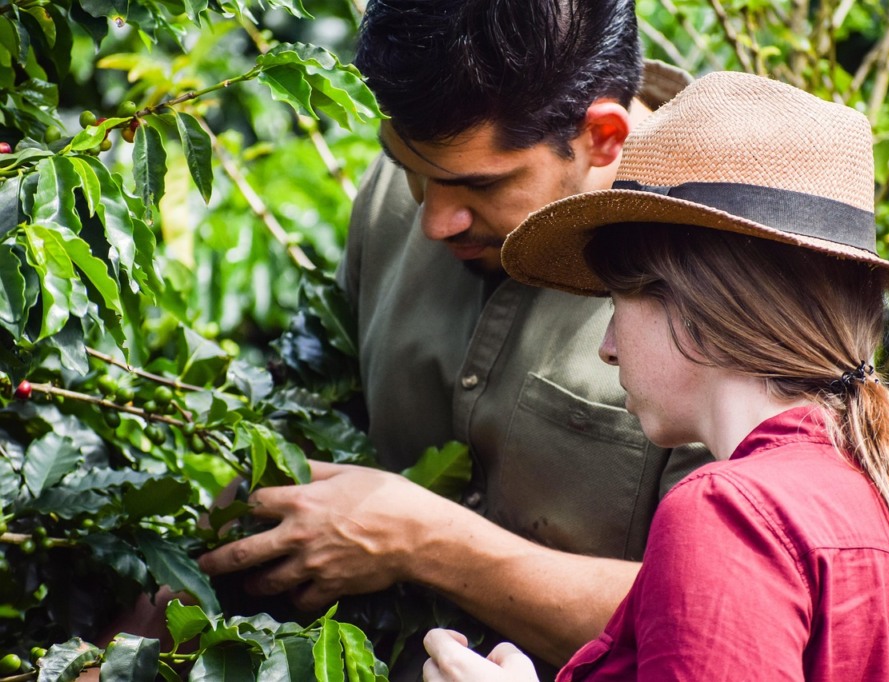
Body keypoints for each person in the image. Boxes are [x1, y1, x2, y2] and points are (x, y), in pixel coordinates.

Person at [421, 71, 889, 681]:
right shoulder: (866, 488)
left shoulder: (729, 512)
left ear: (696, 304)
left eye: (617, 304)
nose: (608, 349)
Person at [198, 0, 711, 677]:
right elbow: (309, 422)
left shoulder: (724, 281)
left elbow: (712, 618)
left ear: (603, 138)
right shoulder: (401, 191)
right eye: (413, 170)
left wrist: (425, 541)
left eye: (479, 185)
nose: (436, 220)